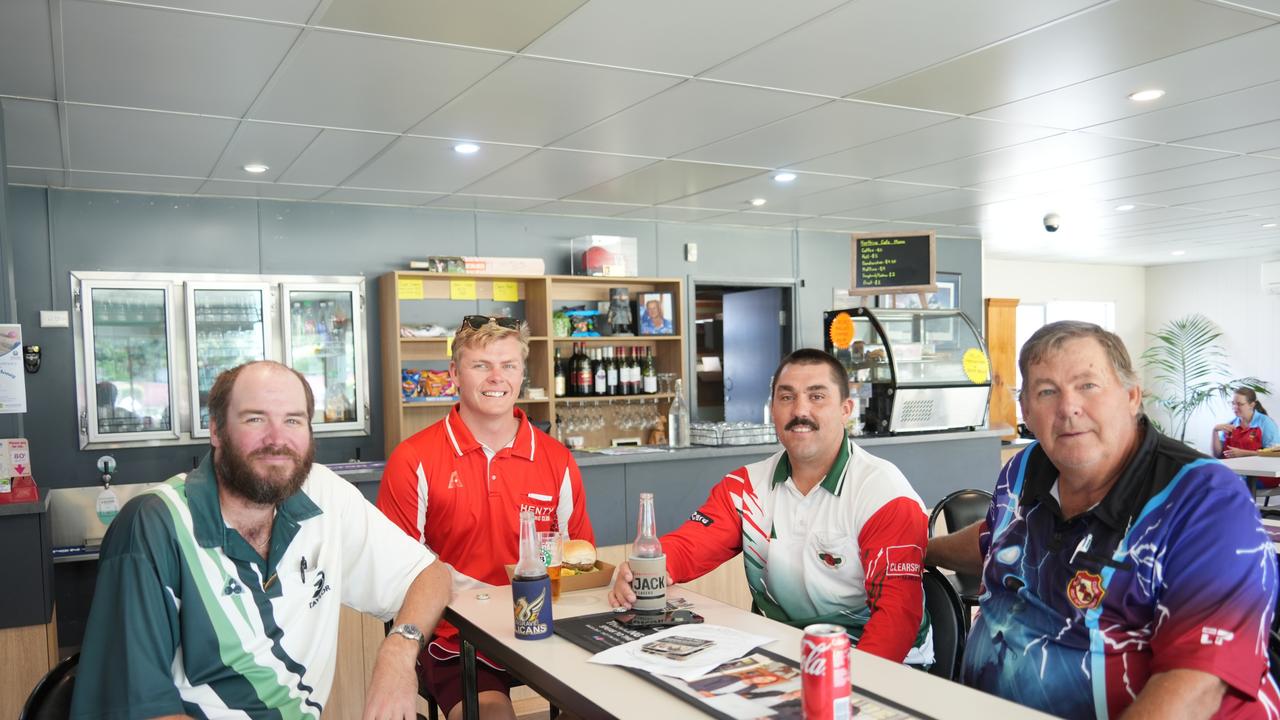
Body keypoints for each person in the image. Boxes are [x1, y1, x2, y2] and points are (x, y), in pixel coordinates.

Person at [926, 321, 1279, 719]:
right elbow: (998, 541)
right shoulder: (1025, 468)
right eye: (1046, 391)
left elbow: (1198, 684)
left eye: (1088, 386)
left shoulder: (1205, 501)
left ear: (1131, 396)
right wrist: (924, 550)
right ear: (1025, 409)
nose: (1068, 408)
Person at [71, 361, 450, 719]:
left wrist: (399, 651)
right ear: (216, 430)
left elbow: (431, 576)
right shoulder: (154, 525)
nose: (277, 440)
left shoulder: (325, 495)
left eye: (293, 420)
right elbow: (140, 708)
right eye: (255, 419)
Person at [608, 348, 932, 665]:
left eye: (817, 396)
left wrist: (847, 690)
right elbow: (690, 546)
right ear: (772, 409)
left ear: (846, 409)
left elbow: (896, 616)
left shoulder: (884, 494)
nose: (800, 410)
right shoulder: (746, 487)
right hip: (779, 653)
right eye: (787, 397)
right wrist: (647, 569)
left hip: (878, 665)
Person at [377, 315, 595, 720]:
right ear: (455, 373)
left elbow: (580, 562)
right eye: (481, 365)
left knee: (608, 707)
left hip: (547, 627)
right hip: (457, 639)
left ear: (522, 373)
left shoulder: (556, 458)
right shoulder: (413, 459)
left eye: (508, 365)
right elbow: (394, 575)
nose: (497, 377)